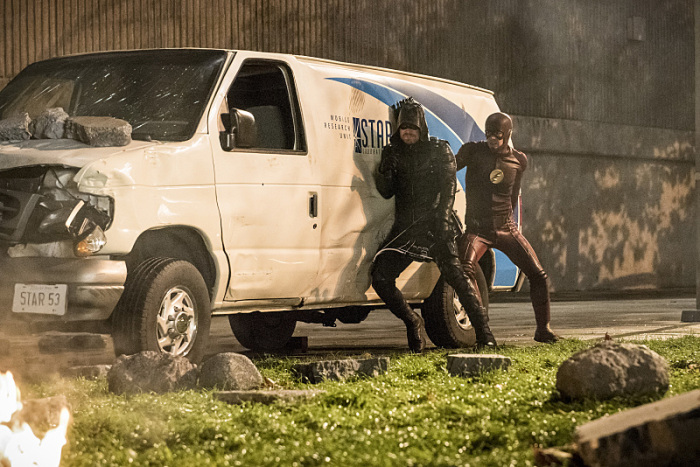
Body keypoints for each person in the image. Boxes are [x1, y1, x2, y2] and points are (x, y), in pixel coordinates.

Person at [371, 98, 496, 353]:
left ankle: (485, 334)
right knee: (380, 276)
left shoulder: (439, 150)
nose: (408, 132)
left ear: (422, 129)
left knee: (457, 277)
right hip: (407, 227)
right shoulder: (393, 152)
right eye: (404, 127)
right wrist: (386, 171)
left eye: (412, 128)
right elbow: (386, 191)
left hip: (437, 223)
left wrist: (442, 219)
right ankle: (412, 322)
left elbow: (448, 187)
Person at [455, 112, 559, 343]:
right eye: (489, 134)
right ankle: (483, 331)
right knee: (465, 268)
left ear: (508, 134)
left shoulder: (518, 160)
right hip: (477, 229)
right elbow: (449, 167)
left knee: (538, 275)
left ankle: (543, 330)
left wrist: (508, 222)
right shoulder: (473, 151)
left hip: (505, 228)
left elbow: (513, 196)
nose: (492, 139)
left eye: (498, 135)